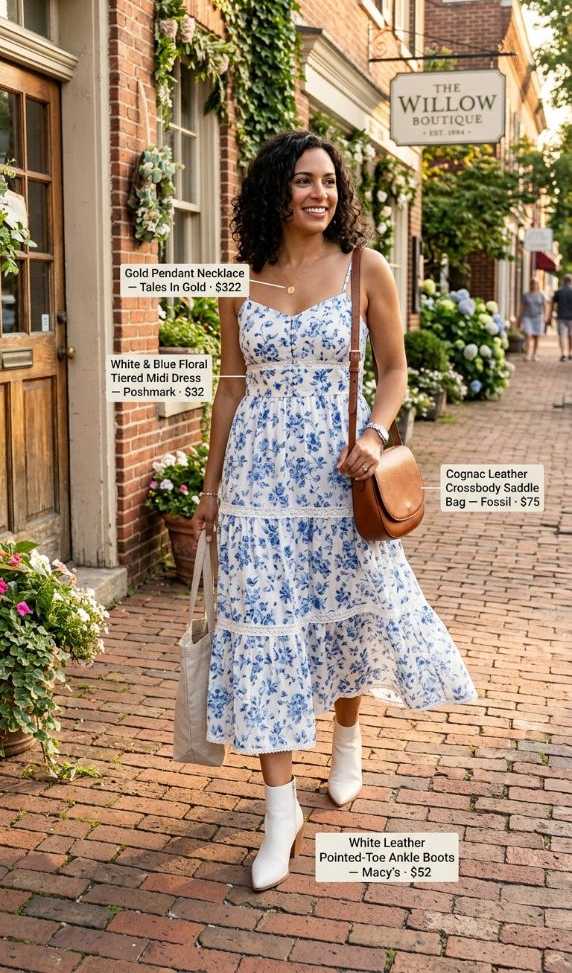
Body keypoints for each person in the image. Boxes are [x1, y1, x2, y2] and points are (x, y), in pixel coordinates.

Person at [190, 130, 478, 893]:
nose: (320, 194)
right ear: (274, 191)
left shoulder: (365, 270)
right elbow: (229, 388)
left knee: (347, 613)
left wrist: (374, 433)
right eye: (303, 181)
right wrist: (211, 487)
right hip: (257, 486)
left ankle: (346, 735)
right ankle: (279, 808)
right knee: (264, 631)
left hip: (336, 479)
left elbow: (393, 370)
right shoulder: (238, 279)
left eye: (329, 182)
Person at [518, 277, 549, 361]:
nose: (533, 286)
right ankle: (527, 354)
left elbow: (545, 306)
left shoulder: (541, 294)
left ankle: (534, 355)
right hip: (527, 317)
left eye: (535, 284)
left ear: (537, 285)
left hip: (538, 318)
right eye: (532, 284)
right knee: (528, 335)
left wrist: (546, 316)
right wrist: (519, 317)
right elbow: (522, 307)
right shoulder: (526, 295)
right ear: (530, 285)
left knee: (536, 337)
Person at [548, 273, 572, 361]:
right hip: (571, 318)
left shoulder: (559, 291)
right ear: (570, 281)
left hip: (561, 317)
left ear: (564, 281)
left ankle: (563, 353)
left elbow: (552, 304)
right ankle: (570, 352)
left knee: (562, 335)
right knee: (570, 335)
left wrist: (550, 316)